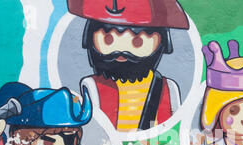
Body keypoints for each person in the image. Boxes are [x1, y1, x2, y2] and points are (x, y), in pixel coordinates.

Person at [67, 0, 189, 132]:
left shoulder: (169, 88)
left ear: (161, 41)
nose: (122, 51)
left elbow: (177, 128)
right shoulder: (91, 86)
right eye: (109, 40)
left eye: (137, 41)